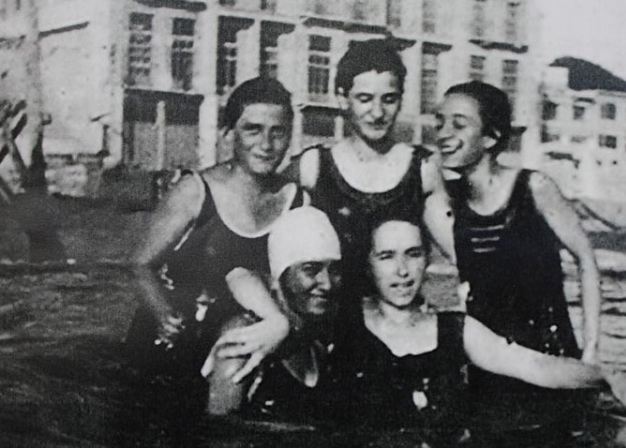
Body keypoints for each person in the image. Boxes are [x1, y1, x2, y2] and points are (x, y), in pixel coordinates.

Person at [216, 39, 455, 382]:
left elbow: (463, 253)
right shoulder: (314, 166)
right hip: (328, 331)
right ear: (342, 98)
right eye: (364, 99)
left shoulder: (422, 170)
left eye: (389, 99)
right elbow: (251, 253)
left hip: (395, 330)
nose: (377, 113)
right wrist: (275, 319)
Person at [329, 216, 626, 431]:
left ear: (427, 260)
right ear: (368, 264)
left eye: (413, 254)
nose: (402, 271)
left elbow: (535, 365)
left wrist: (604, 375)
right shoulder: (343, 327)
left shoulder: (456, 330)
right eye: (386, 257)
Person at [435, 81, 602, 411]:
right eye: (439, 122)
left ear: (491, 137)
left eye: (458, 124)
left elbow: (586, 259)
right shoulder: (447, 202)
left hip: (553, 359)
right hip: (489, 369)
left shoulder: (534, 188)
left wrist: (591, 352)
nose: (443, 134)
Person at [125, 77, 299, 384]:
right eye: (253, 129)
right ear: (228, 133)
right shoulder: (195, 191)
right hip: (175, 341)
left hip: (245, 336)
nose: (266, 144)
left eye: (278, 132)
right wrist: (162, 313)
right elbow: (139, 264)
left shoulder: (297, 201)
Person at [205, 206, 342, 419]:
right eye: (310, 269)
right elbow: (218, 428)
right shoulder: (246, 334)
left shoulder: (316, 346)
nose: (327, 283)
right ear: (280, 276)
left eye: (334, 270)